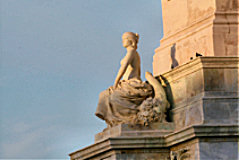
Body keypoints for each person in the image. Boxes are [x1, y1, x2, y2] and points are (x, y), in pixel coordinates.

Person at [95, 32, 153, 127]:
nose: (123, 40)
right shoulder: (130, 52)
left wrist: (116, 81)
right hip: (126, 83)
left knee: (112, 96)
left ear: (131, 40)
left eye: (125, 38)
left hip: (131, 83)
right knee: (104, 95)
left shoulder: (132, 52)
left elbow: (124, 67)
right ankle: (114, 120)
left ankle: (121, 118)